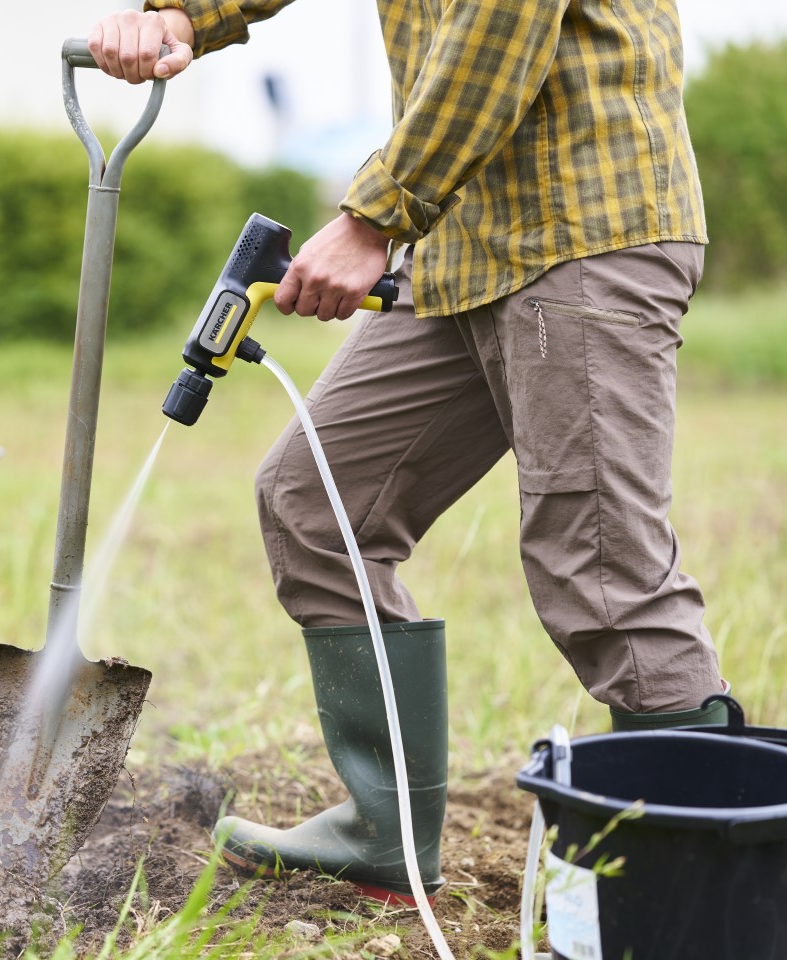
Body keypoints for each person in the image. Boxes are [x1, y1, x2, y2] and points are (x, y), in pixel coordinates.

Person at [86, 1, 727, 906]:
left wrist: (371, 219)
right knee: (316, 500)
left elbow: (500, 23)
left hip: (584, 226)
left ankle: (701, 879)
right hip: (460, 245)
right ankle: (385, 830)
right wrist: (184, 13)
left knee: (600, 566)